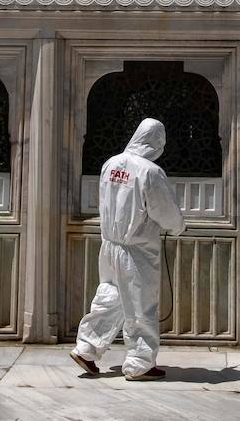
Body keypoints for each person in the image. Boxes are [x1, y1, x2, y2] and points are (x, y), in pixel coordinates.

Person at [70, 118, 185, 381]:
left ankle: (86, 348)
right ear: (156, 142)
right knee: (141, 306)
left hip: (110, 246)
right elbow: (165, 212)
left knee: (110, 296)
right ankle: (139, 364)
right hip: (137, 250)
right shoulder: (150, 172)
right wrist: (178, 226)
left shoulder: (110, 164)